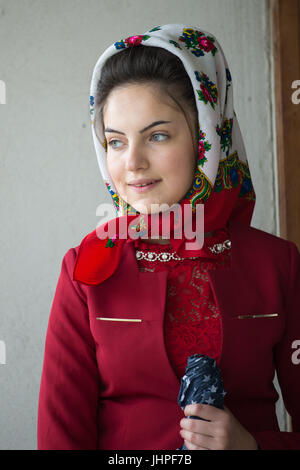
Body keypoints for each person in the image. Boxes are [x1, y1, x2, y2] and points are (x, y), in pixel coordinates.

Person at [37, 23, 300, 450]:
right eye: (116, 142)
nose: (133, 163)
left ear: (206, 138)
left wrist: (254, 447)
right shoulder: (84, 270)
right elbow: (60, 436)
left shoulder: (277, 265)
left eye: (157, 136)